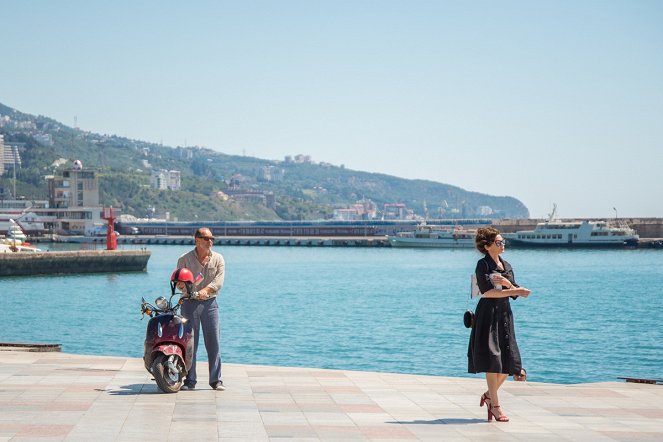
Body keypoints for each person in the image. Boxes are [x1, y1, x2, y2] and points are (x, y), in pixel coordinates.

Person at [468, 227, 531, 422]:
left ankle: (488, 395)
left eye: (503, 242)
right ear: (487, 246)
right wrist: (513, 290)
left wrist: (510, 285)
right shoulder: (483, 265)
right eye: (498, 242)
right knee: (493, 361)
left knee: (510, 364)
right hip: (488, 315)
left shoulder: (507, 265)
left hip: (504, 316)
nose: (502, 245)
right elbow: (487, 293)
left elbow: (513, 292)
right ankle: (496, 406)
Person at [177, 227, 226, 391]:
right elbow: (179, 282)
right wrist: (181, 284)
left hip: (210, 304)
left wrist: (205, 291)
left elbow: (218, 281)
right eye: (206, 238)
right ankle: (190, 381)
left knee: (214, 343)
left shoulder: (218, 258)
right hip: (188, 303)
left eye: (212, 238)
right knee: (190, 343)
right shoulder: (184, 259)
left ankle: (216, 381)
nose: (210, 241)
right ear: (197, 240)